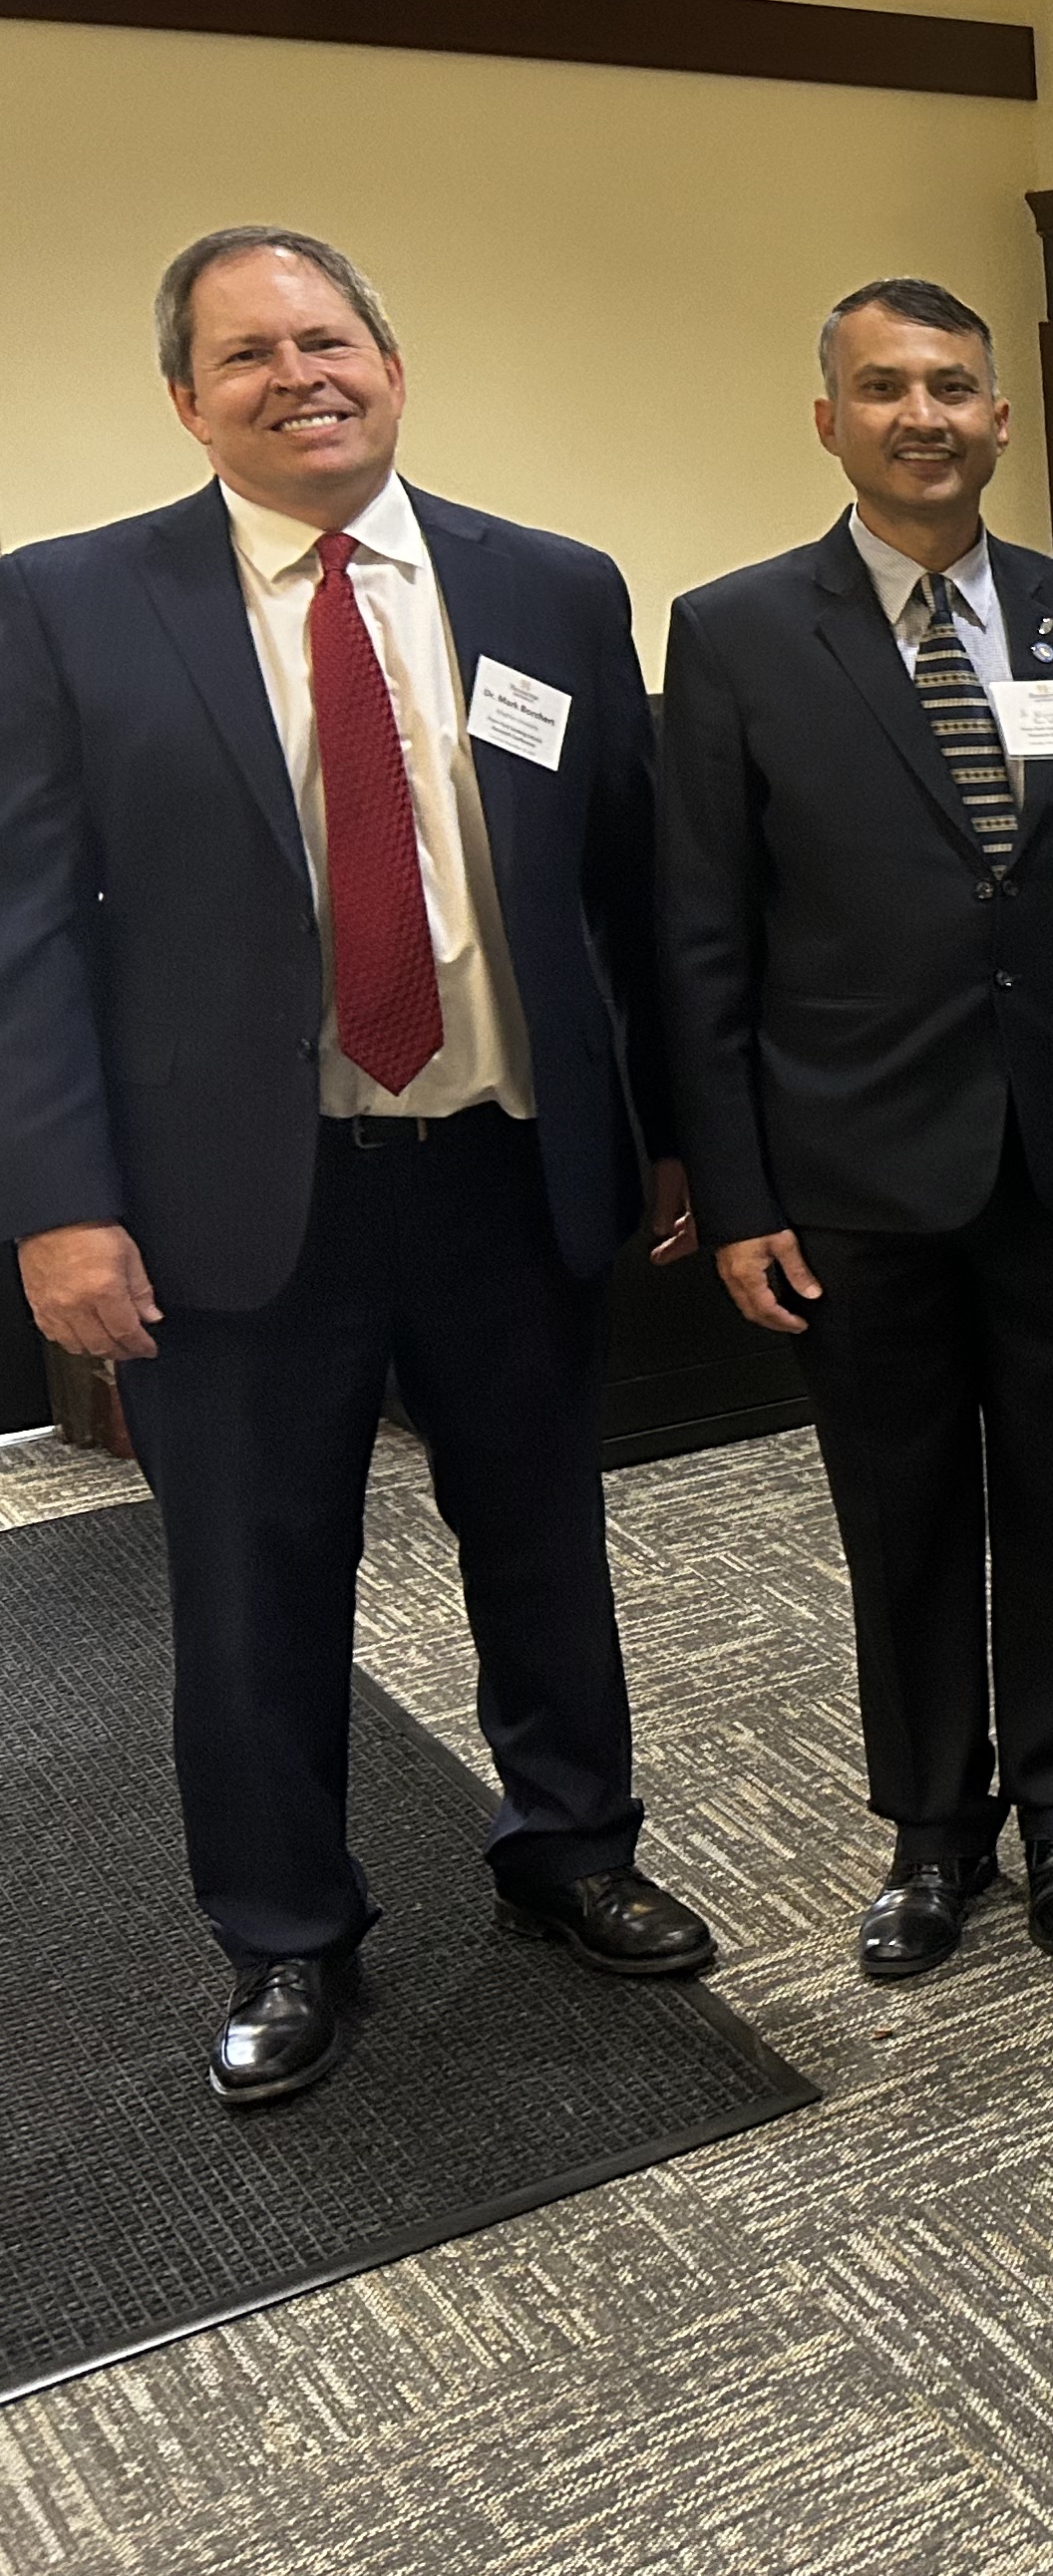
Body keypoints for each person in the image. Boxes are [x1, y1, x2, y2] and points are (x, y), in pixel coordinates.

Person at [0, 227, 713, 2106]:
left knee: (546, 1545)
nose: (296, 375)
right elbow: (26, 937)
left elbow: (627, 900)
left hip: (506, 1167)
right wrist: (59, 1206)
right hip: (239, 1201)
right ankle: (287, 1935)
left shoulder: (551, 591)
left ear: (393, 367)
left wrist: (665, 1142)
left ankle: (574, 1847)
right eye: (245, 355)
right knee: (252, 1582)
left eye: (328, 339)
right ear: (185, 401)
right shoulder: (70, 604)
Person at [656, 279, 1053, 1981]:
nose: (924, 417)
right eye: (883, 387)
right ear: (827, 417)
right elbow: (700, 935)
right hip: (852, 1171)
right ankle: (929, 1834)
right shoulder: (738, 631)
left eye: (953, 388)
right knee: (897, 1511)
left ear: (997, 418)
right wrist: (733, 1188)